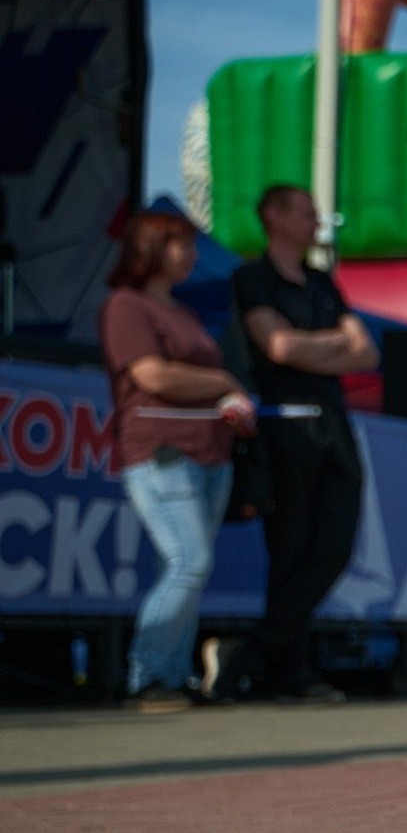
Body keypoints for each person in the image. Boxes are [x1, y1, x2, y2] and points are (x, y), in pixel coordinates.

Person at [216, 184, 376, 703]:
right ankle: (289, 669)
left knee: (333, 543)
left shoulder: (322, 283)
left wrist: (315, 349)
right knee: (289, 547)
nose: (316, 222)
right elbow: (277, 346)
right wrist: (332, 344)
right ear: (275, 217)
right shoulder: (252, 278)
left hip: (332, 420)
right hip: (286, 423)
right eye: (307, 213)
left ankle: (253, 652)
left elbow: (365, 351)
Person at [99, 211, 254, 710]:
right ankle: (147, 677)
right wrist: (226, 385)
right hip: (162, 453)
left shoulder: (181, 312)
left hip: (211, 453)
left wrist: (229, 409)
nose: (190, 254)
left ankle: (173, 673)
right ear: (150, 249)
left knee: (190, 567)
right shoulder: (126, 306)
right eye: (179, 245)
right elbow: (153, 376)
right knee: (190, 561)